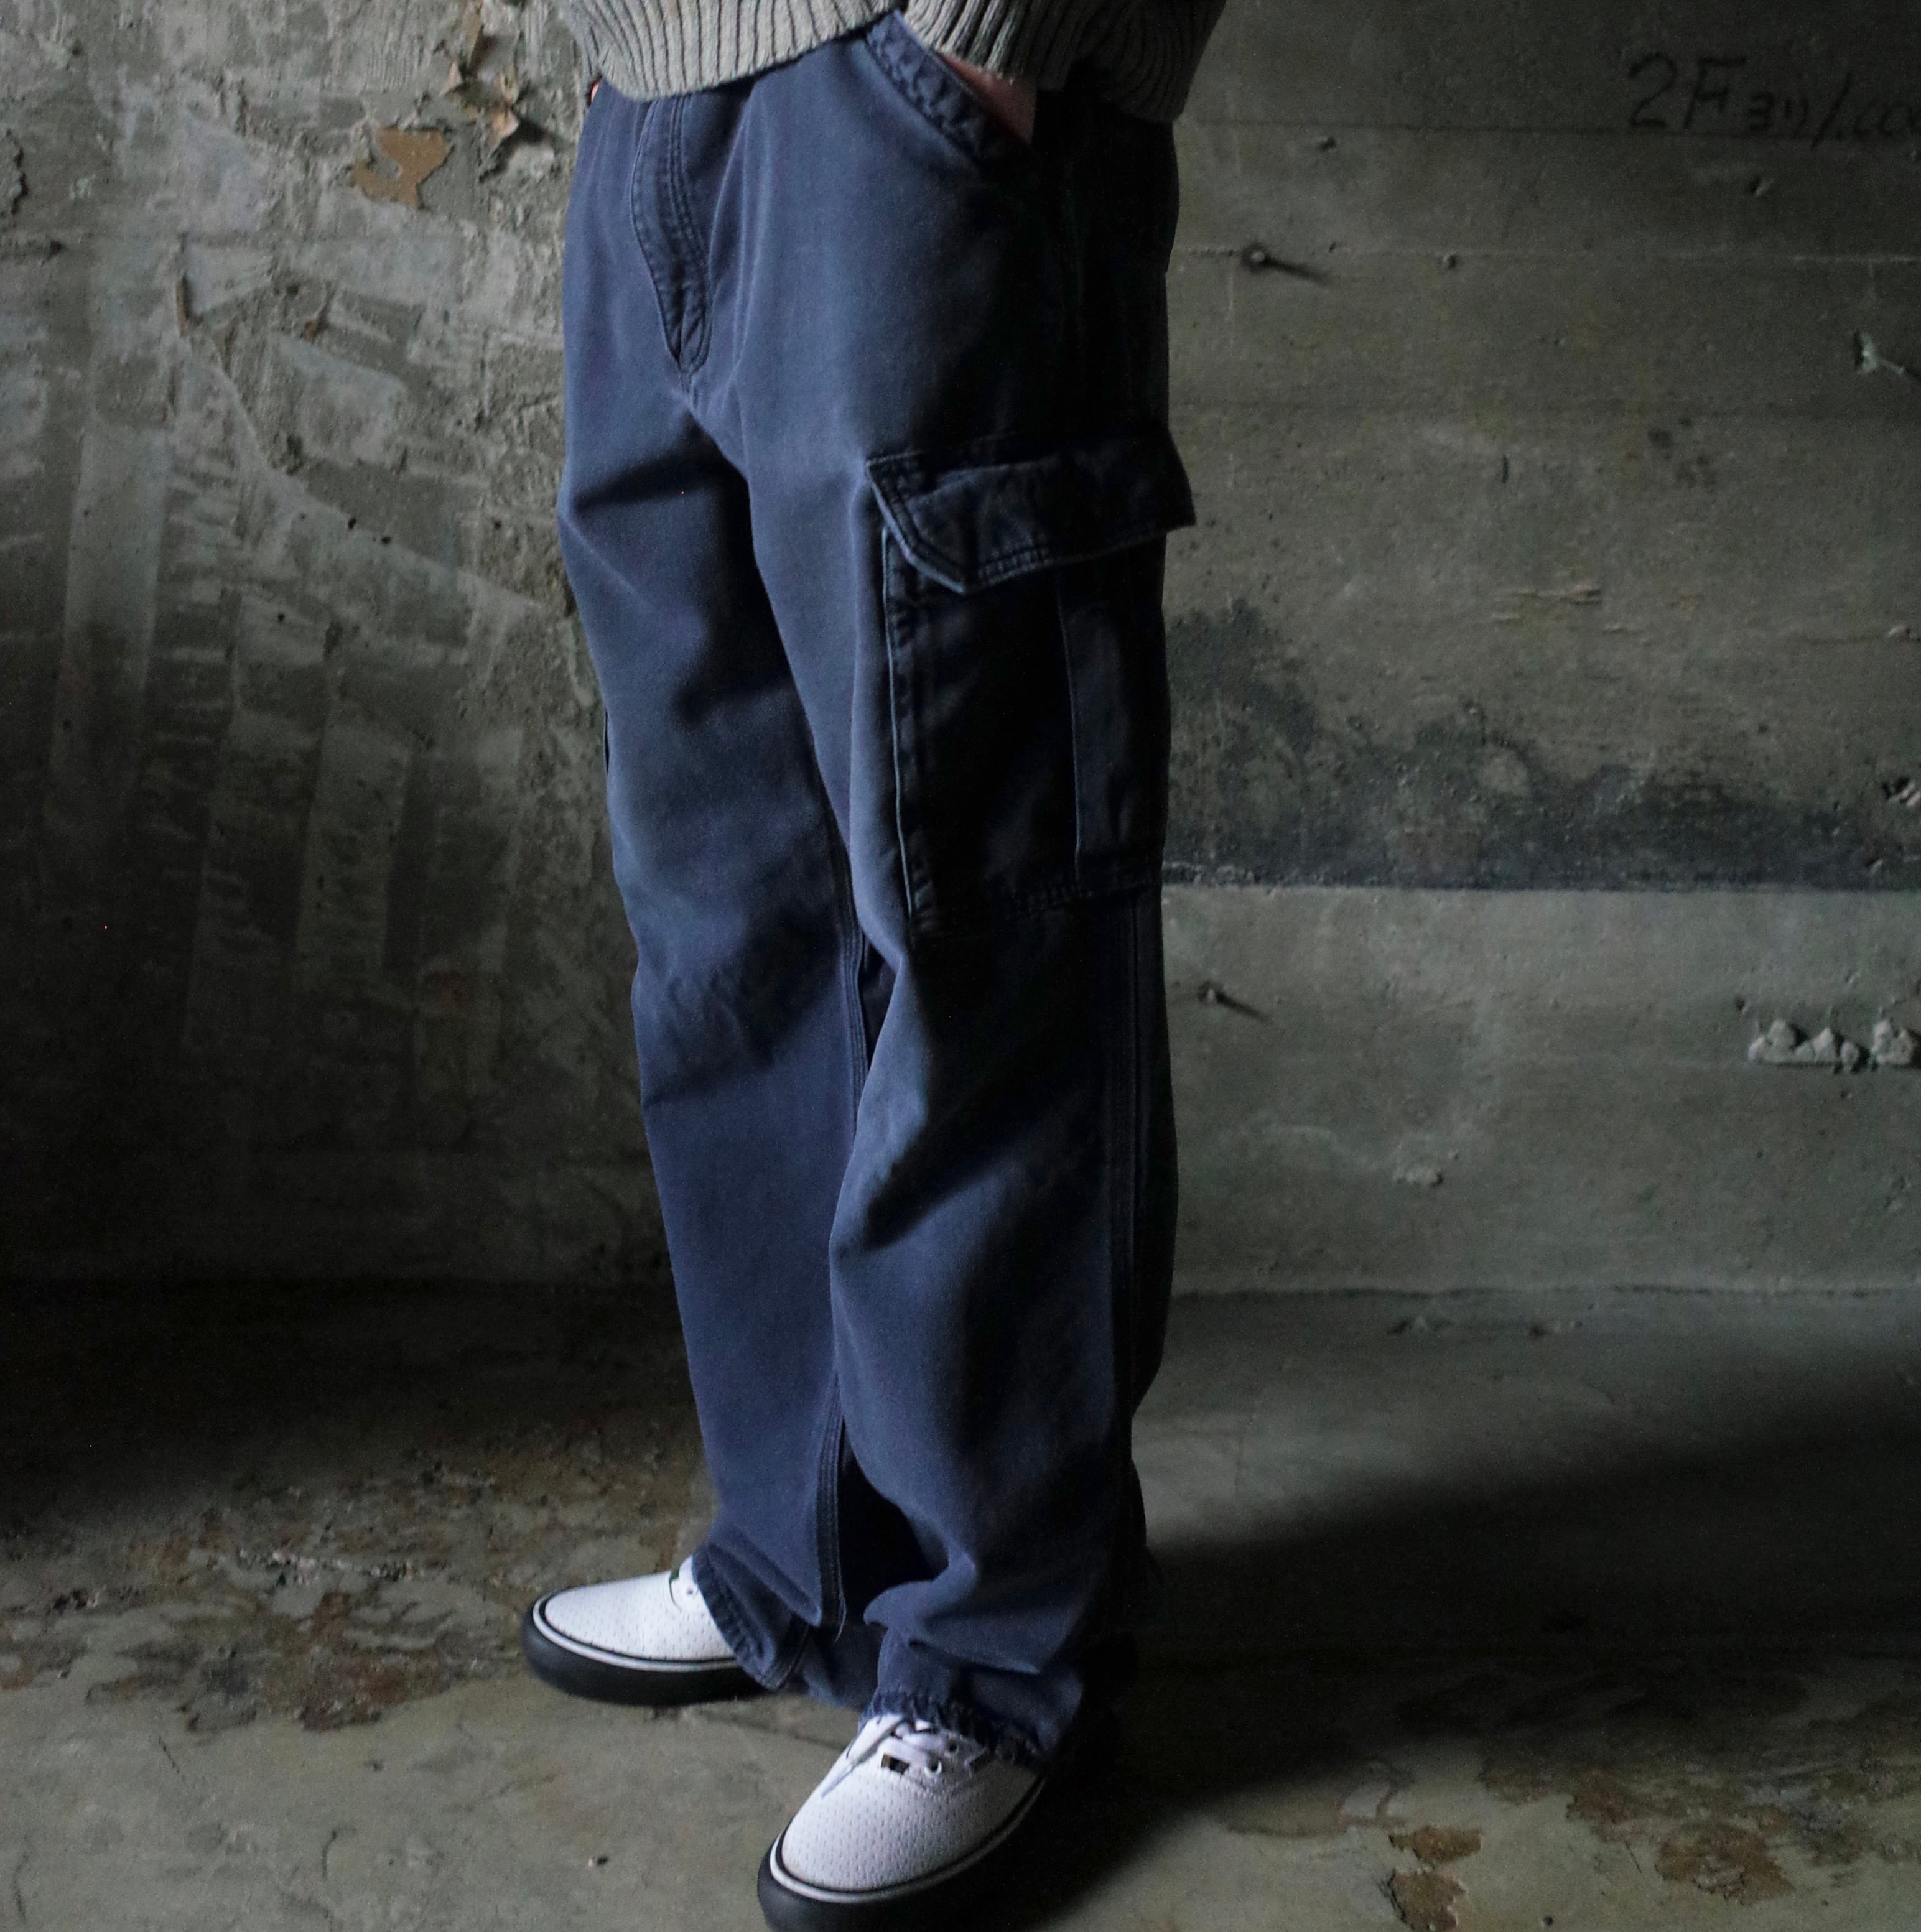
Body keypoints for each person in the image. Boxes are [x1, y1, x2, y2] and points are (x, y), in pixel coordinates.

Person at [519, 2, 1224, 1923]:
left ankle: (995, 1653)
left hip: (909, 84)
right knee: (732, 903)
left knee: (978, 890)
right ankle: (807, 1556)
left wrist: (992, 32)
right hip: (658, 91)